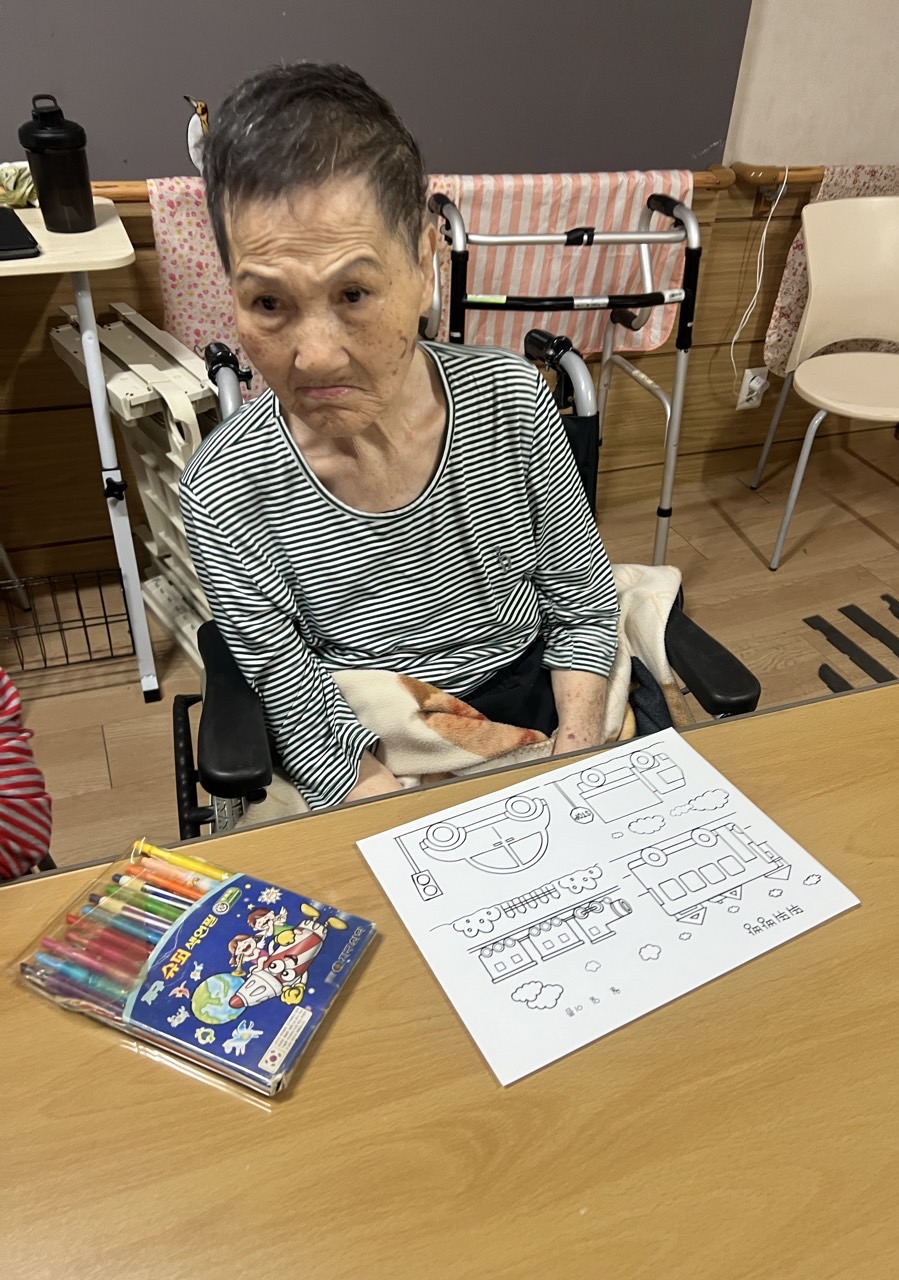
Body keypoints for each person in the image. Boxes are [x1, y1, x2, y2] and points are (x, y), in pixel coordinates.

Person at [180, 62, 619, 812]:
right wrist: (394, 811)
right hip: (370, 729)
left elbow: (582, 606)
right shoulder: (226, 492)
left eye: (353, 293)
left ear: (423, 262)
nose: (315, 357)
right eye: (268, 303)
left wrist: (573, 761)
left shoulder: (512, 402)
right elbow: (298, 704)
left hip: (532, 694)